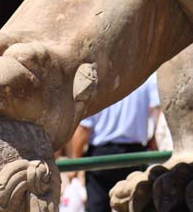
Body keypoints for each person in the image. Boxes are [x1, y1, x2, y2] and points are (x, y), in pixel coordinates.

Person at [69, 74, 161, 212]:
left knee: (99, 207)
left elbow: (83, 129)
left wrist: (75, 164)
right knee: (135, 205)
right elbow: (156, 112)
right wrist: (154, 142)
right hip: (135, 156)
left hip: (101, 159)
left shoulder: (98, 81)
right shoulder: (146, 77)